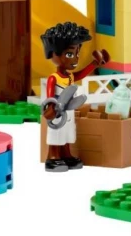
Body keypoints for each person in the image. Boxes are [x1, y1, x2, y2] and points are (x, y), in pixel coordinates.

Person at [41, 22, 109, 172]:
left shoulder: (70, 76)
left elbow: (81, 74)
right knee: (56, 134)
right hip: (58, 113)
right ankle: (53, 157)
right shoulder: (54, 78)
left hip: (69, 111)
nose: (75, 59)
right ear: (54, 54)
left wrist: (95, 64)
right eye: (70, 54)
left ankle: (66, 155)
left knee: (67, 134)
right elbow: (49, 97)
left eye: (77, 54)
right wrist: (51, 109)